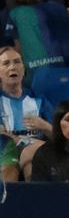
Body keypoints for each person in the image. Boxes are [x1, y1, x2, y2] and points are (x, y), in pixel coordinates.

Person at [0, 45, 50, 181]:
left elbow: (60, 134)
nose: (12, 67)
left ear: (23, 69)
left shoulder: (39, 100)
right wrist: (27, 143)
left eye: (17, 62)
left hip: (34, 153)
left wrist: (44, 126)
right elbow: (3, 135)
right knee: (10, 166)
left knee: (32, 164)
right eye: (6, 63)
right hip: (5, 153)